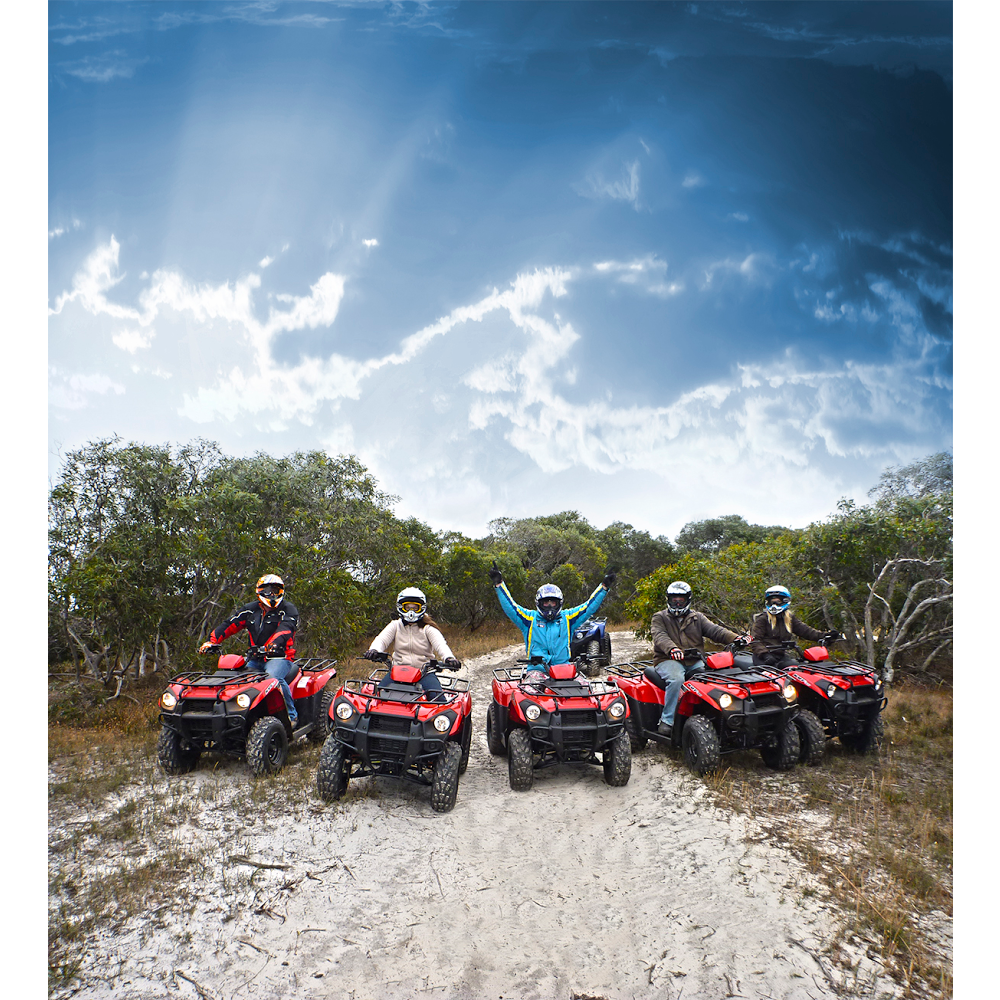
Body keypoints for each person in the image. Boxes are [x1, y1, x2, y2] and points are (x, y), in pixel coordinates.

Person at [488, 561, 616, 684]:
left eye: (553, 602)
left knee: (585, 689)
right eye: (546, 602)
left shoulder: (568, 618)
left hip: (564, 669)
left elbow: (588, 607)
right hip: (537, 671)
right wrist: (499, 585)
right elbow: (511, 607)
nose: (549, 606)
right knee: (530, 697)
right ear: (539, 603)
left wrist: (604, 587)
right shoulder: (529, 619)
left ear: (559, 603)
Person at [200, 574, 302, 725]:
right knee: (237, 682)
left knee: (273, 678)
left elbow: (286, 629)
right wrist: (211, 641)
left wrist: (274, 644)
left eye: (276, 590)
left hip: (280, 658)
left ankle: (291, 717)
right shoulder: (250, 610)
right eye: (268, 590)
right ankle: (238, 716)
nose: (272, 594)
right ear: (260, 591)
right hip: (254, 659)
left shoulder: (288, 609)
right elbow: (230, 624)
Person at [650, 581, 743, 737]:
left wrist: (736, 638)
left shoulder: (697, 617)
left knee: (712, 678)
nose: (678, 603)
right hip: (667, 660)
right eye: (674, 599)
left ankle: (717, 716)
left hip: (694, 661)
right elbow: (660, 636)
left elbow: (715, 631)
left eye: (681, 600)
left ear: (688, 600)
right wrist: (672, 649)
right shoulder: (659, 617)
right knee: (676, 679)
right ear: (669, 599)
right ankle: (667, 721)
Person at [365, 588, 461, 698]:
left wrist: (449, 658)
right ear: (401, 607)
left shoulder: (428, 628)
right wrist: (374, 650)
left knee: (438, 701)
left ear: (422, 608)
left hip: (424, 673)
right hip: (397, 672)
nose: (411, 611)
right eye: (408, 607)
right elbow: (381, 640)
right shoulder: (395, 625)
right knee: (377, 698)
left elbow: (441, 645)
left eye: (415, 608)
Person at [750, 585, 838, 668]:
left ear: (785, 601)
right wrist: (765, 654)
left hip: (780, 656)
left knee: (796, 669)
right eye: (771, 602)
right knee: (770, 679)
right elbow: (755, 640)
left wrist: (825, 636)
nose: (774, 605)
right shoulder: (763, 619)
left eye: (777, 602)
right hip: (762, 658)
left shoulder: (789, 618)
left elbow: (806, 631)